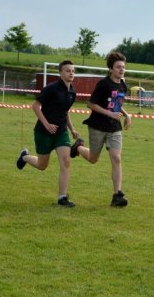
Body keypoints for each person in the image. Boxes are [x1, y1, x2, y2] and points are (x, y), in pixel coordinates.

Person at [70, 51, 132, 207]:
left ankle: (117, 195)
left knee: (116, 158)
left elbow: (117, 104)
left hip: (114, 127)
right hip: (98, 126)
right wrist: (110, 113)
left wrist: (127, 115)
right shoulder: (103, 84)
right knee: (93, 158)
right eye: (118, 67)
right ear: (110, 69)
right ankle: (78, 147)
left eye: (123, 67)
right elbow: (90, 104)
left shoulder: (123, 85)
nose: (122, 69)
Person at [16, 60, 79, 207]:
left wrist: (72, 129)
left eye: (73, 71)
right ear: (60, 73)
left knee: (66, 161)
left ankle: (62, 197)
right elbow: (35, 106)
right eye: (68, 70)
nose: (71, 73)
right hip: (43, 131)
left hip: (61, 132)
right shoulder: (51, 88)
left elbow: (65, 112)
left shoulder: (72, 92)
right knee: (42, 165)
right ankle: (24, 157)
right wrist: (47, 124)